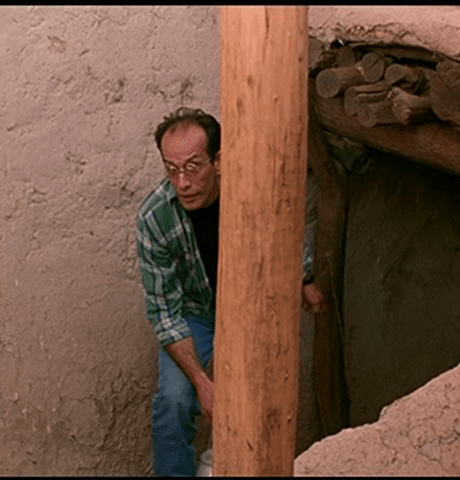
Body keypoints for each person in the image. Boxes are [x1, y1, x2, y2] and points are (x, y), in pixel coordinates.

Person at [136, 107, 324, 476]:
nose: (182, 182)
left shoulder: (249, 189)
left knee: (256, 400)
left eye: (193, 167)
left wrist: (304, 278)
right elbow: (164, 313)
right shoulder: (154, 218)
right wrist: (203, 383)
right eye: (171, 169)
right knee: (173, 404)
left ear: (218, 161)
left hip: (249, 308)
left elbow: (282, 230)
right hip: (194, 312)